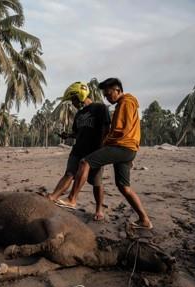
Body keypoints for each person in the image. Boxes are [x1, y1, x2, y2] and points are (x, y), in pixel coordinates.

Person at [63, 78, 153, 229]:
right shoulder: (124, 103)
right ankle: (144, 220)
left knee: (85, 162)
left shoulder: (125, 102)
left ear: (118, 90)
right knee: (124, 187)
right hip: (128, 149)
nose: (107, 97)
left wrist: (105, 143)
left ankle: (72, 199)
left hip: (121, 146)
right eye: (105, 95)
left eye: (109, 94)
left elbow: (120, 129)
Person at [47, 82, 110, 221]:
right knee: (69, 173)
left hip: (94, 150)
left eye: (73, 100)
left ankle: (99, 209)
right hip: (78, 150)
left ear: (79, 96)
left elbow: (107, 129)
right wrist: (68, 135)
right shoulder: (79, 115)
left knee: (96, 182)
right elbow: (78, 132)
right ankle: (53, 197)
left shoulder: (100, 108)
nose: (73, 103)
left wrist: (103, 148)